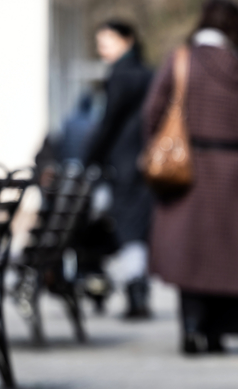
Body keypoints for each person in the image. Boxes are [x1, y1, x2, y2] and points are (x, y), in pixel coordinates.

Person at [144, 0, 238, 355]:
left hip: (187, 164)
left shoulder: (181, 60)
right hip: (235, 168)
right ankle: (218, 333)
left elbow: (153, 112)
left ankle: (189, 326)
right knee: (227, 251)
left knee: (190, 248)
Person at [84, 20, 154, 319]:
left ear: (128, 40)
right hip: (148, 161)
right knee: (137, 230)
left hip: (124, 164)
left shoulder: (120, 75)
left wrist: (88, 158)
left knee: (129, 230)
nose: (102, 48)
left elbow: (108, 123)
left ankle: (136, 294)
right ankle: (137, 291)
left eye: (108, 41)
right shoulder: (150, 73)